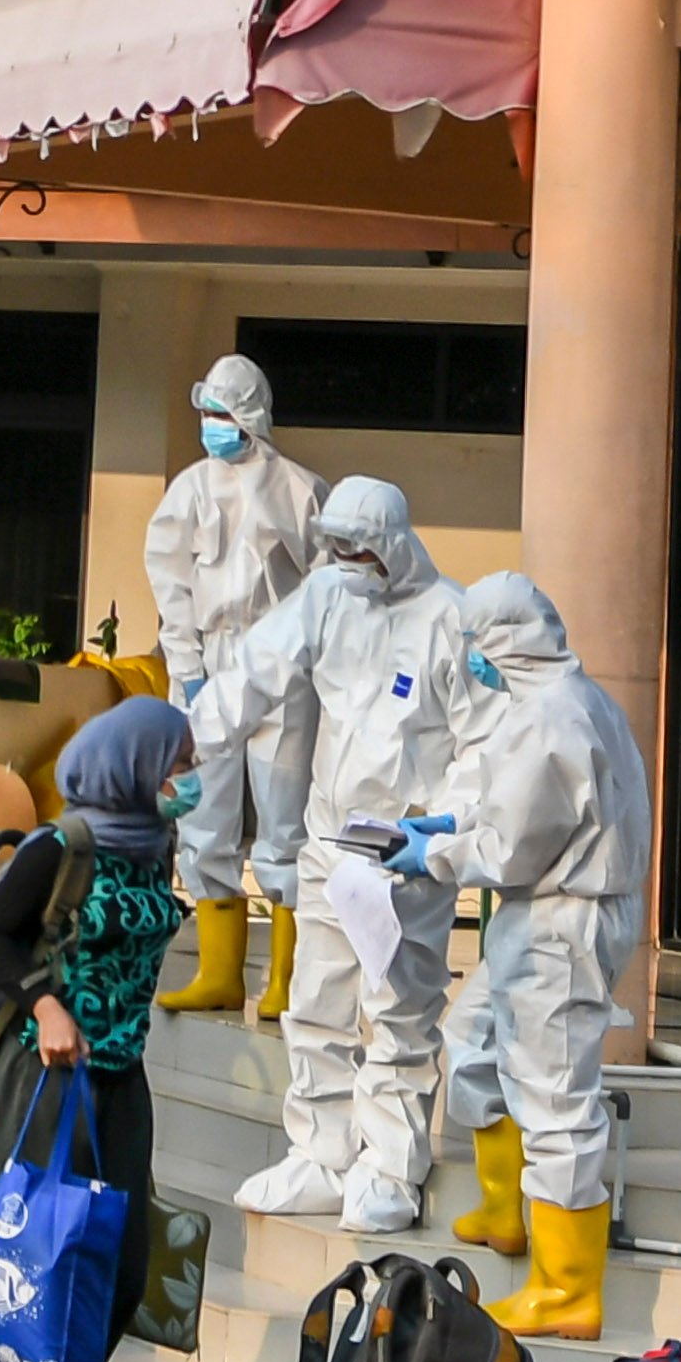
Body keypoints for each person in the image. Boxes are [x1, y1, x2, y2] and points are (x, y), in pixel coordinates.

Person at [384, 571, 649, 1336]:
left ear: (505, 641)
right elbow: (514, 807)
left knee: (556, 1098)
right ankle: (507, 1210)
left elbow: (511, 845)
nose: (470, 657)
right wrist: (452, 822)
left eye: (475, 642)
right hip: (545, 915)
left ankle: (567, 1289)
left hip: (560, 922)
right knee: (471, 1042)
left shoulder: (554, 717)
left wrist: (432, 852)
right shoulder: (561, 702)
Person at [209, 477, 470, 1233]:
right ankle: (319, 1153)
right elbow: (257, 667)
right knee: (315, 1001)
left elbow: (476, 741)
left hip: (405, 855)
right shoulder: (327, 595)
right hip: (332, 840)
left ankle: (390, 1166)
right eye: (339, 548)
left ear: (391, 542)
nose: (349, 562)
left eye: (361, 549)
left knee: (399, 1010)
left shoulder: (450, 617)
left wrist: (442, 828)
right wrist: (195, 734)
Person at [0, 693, 191, 1362]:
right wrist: (46, 1002)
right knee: (45, 1264)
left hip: (121, 1078)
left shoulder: (152, 846)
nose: (186, 780)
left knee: (120, 1271)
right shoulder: (66, 844)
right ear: (131, 763)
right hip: (51, 1075)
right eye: (177, 763)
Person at [143, 354, 327, 1015]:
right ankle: (221, 972)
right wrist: (185, 667)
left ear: (250, 414)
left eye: (223, 412)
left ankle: (286, 979)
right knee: (203, 810)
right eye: (207, 412)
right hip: (213, 662)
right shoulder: (189, 489)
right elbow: (170, 583)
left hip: (284, 668)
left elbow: (331, 583)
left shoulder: (301, 489)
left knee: (285, 817)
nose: (212, 425)